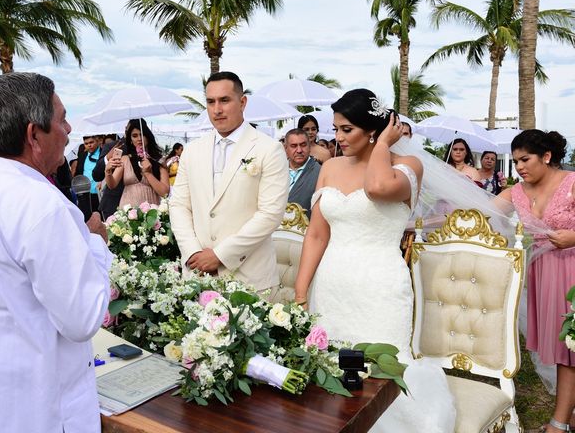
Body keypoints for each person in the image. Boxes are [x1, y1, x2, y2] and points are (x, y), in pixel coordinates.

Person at [0, 72, 112, 432]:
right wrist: (94, 242)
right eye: (61, 119)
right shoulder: (44, 206)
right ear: (34, 134)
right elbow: (82, 319)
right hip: (35, 407)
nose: (69, 129)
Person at [293, 88, 455, 433]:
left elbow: (378, 188)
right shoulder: (331, 167)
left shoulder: (408, 166)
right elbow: (317, 234)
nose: (337, 137)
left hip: (379, 290)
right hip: (332, 287)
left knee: (383, 376)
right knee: (330, 373)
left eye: (346, 129)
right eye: (335, 129)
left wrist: (382, 146)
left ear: (372, 130)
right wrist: (301, 288)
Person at [170, 71, 289, 292]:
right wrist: (193, 252)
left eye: (225, 100)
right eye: (210, 101)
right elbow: (178, 205)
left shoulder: (269, 149)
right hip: (198, 275)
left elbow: (270, 214)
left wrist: (220, 255)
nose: (217, 109)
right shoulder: (193, 150)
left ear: (242, 102)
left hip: (250, 279)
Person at [498, 130, 575, 433]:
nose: (519, 167)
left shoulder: (571, 183)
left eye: (525, 159)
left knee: (571, 346)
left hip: (572, 270)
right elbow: (479, 208)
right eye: (516, 161)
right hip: (544, 271)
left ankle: (559, 422)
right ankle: (566, 416)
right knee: (563, 348)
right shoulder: (517, 192)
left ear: (546, 157)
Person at [105, 118, 170, 207]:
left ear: (148, 136)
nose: (139, 139)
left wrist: (148, 173)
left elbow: (165, 193)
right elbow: (112, 185)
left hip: (151, 212)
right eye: (135, 136)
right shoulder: (125, 159)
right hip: (128, 212)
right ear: (130, 140)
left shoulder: (159, 160)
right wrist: (108, 172)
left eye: (142, 135)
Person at [285, 128, 321, 218]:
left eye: (303, 145)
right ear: (286, 148)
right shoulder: (275, 169)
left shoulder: (320, 172)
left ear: (309, 147)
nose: (299, 150)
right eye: (293, 146)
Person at [92, 137, 127, 221]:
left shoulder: (146, 149)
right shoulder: (112, 146)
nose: (139, 138)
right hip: (113, 203)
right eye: (135, 135)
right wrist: (107, 158)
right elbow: (96, 175)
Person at [74, 135, 102, 212]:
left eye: (91, 142)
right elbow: (78, 172)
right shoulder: (82, 154)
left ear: (97, 141)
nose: (89, 145)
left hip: (99, 192)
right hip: (84, 192)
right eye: (86, 143)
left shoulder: (103, 153)